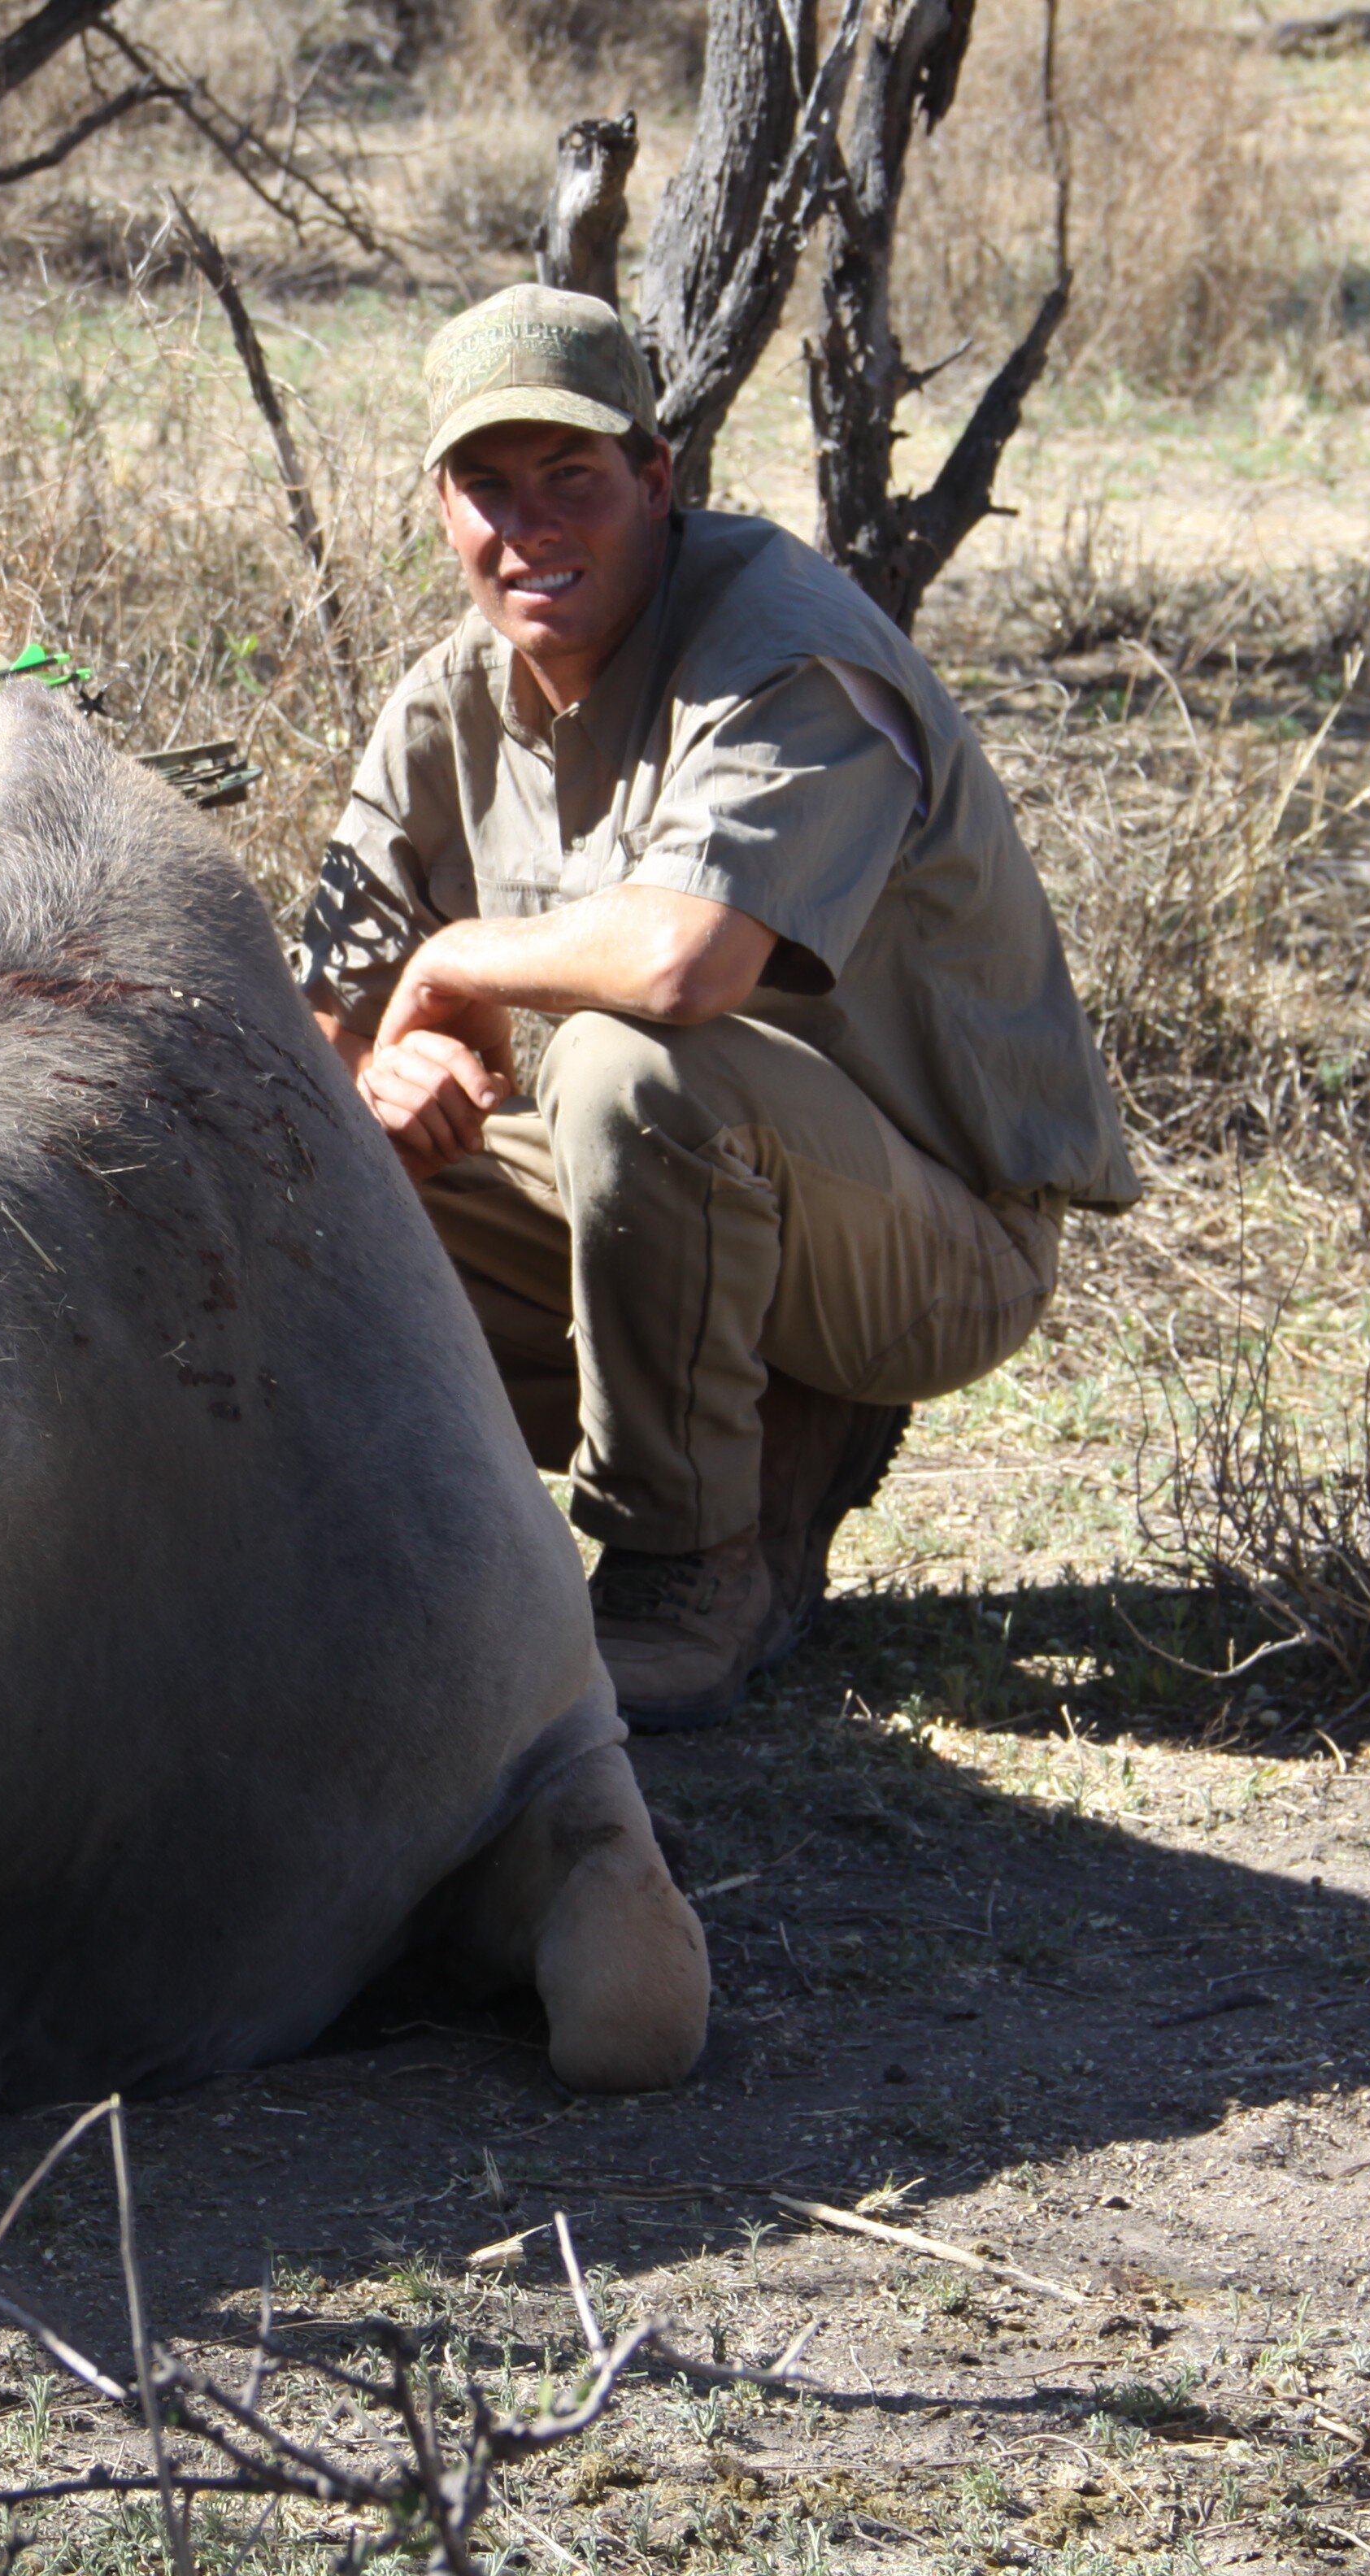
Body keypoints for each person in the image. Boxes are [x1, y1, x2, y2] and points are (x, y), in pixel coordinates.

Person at [295, 283, 1138, 1731]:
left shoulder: (780, 640)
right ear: (439, 505)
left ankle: (685, 1569)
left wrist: (450, 971)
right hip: (704, 1211)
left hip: (941, 1242)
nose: (530, 529)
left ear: (658, 479)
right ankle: (402, 1545)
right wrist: (385, 1071)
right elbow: (316, 1037)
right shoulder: (445, 705)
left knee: (632, 1067)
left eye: (575, 480)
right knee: (319, 1168)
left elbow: (688, 968)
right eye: (487, 487)